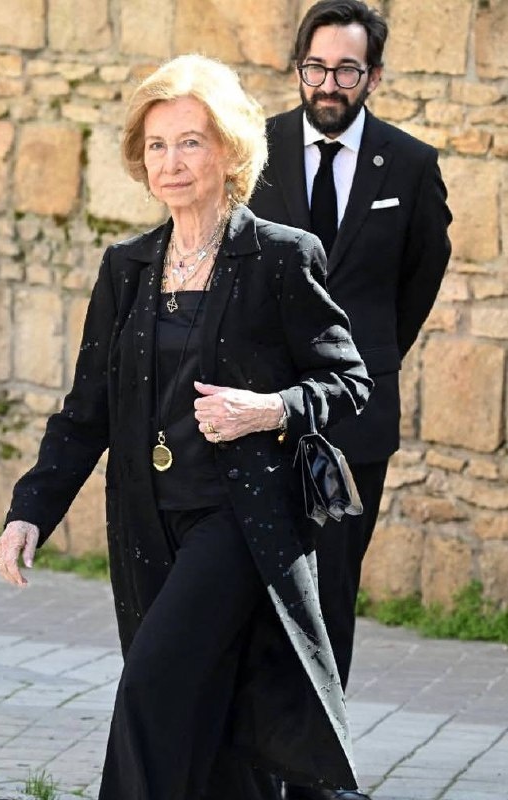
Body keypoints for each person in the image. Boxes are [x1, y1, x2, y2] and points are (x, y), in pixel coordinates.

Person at [0, 54, 374, 800]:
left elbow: (348, 381)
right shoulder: (126, 268)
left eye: (190, 142)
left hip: (240, 521)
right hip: (148, 521)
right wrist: (29, 511)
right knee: (214, 718)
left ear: (229, 151)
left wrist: (270, 408)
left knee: (151, 685)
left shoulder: (279, 257)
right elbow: (86, 411)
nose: (171, 162)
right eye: (157, 145)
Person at [250, 0, 452, 722]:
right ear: (297, 68)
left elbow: (420, 278)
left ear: (373, 76)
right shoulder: (255, 149)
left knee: (331, 588)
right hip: (257, 411)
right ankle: (250, 752)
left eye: (346, 70)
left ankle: (320, 755)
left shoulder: (411, 164)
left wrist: (362, 363)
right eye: (316, 67)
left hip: (354, 422)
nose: (328, 84)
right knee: (248, 583)